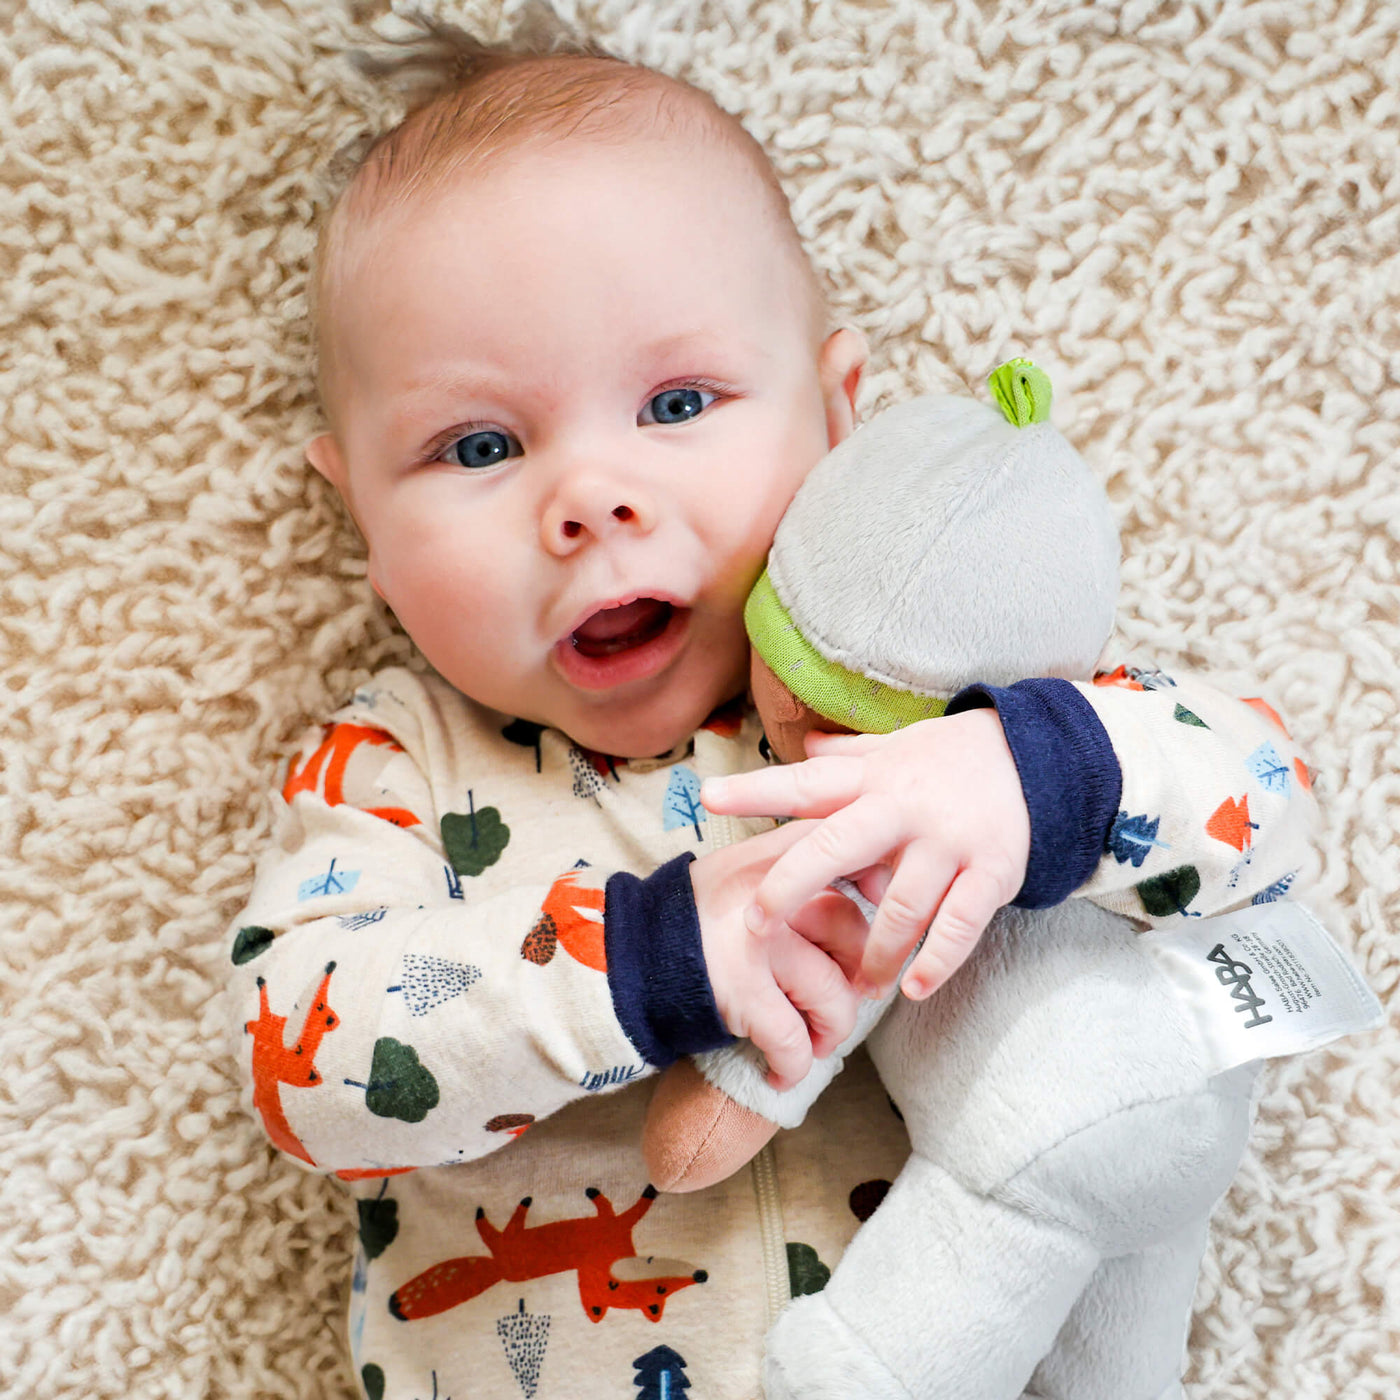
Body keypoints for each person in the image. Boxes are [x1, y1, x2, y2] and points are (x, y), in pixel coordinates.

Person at [226, 26, 1317, 1400]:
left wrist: (1026, 782)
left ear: (840, 414)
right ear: (361, 519)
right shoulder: (397, 767)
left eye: (676, 401)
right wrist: (650, 961)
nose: (591, 499)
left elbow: (1264, 789)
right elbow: (302, 1065)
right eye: (481, 446)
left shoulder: (928, 704)